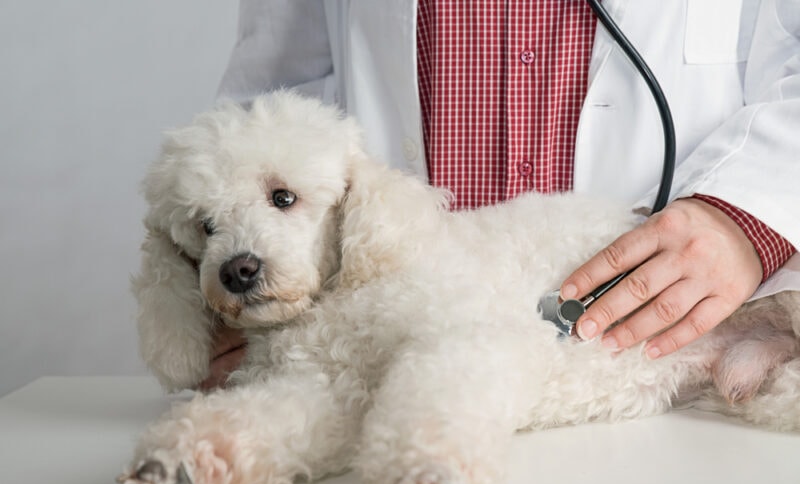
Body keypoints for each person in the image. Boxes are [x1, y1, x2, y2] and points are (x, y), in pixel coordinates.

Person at [201, 0, 800, 390]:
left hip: (677, 355)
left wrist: (747, 212)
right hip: (398, 355)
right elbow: (275, 98)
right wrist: (238, 262)